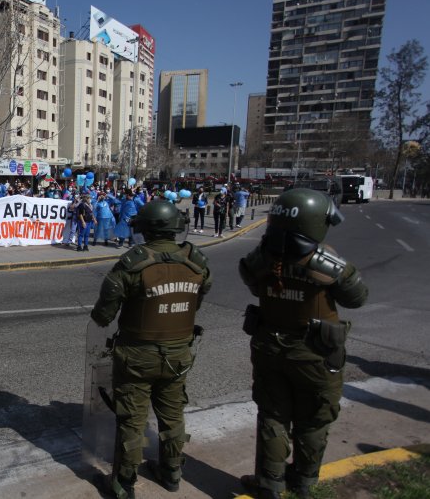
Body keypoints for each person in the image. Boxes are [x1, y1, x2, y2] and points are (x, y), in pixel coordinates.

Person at [238, 189, 368, 499]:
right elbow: (357, 297)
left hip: (270, 345)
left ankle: (270, 482)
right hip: (315, 353)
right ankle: (305, 482)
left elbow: (252, 281)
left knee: (273, 415)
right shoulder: (328, 265)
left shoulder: (262, 258)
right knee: (314, 418)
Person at [90, 200, 212, 499]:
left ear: (144, 229)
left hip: (137, 356)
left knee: (132, 418)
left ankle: (124, 482)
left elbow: (103, 315)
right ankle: (172, 472)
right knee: (172, 414)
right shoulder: (196, 260)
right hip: (178, 353)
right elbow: (199, 296)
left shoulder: (133, 263)